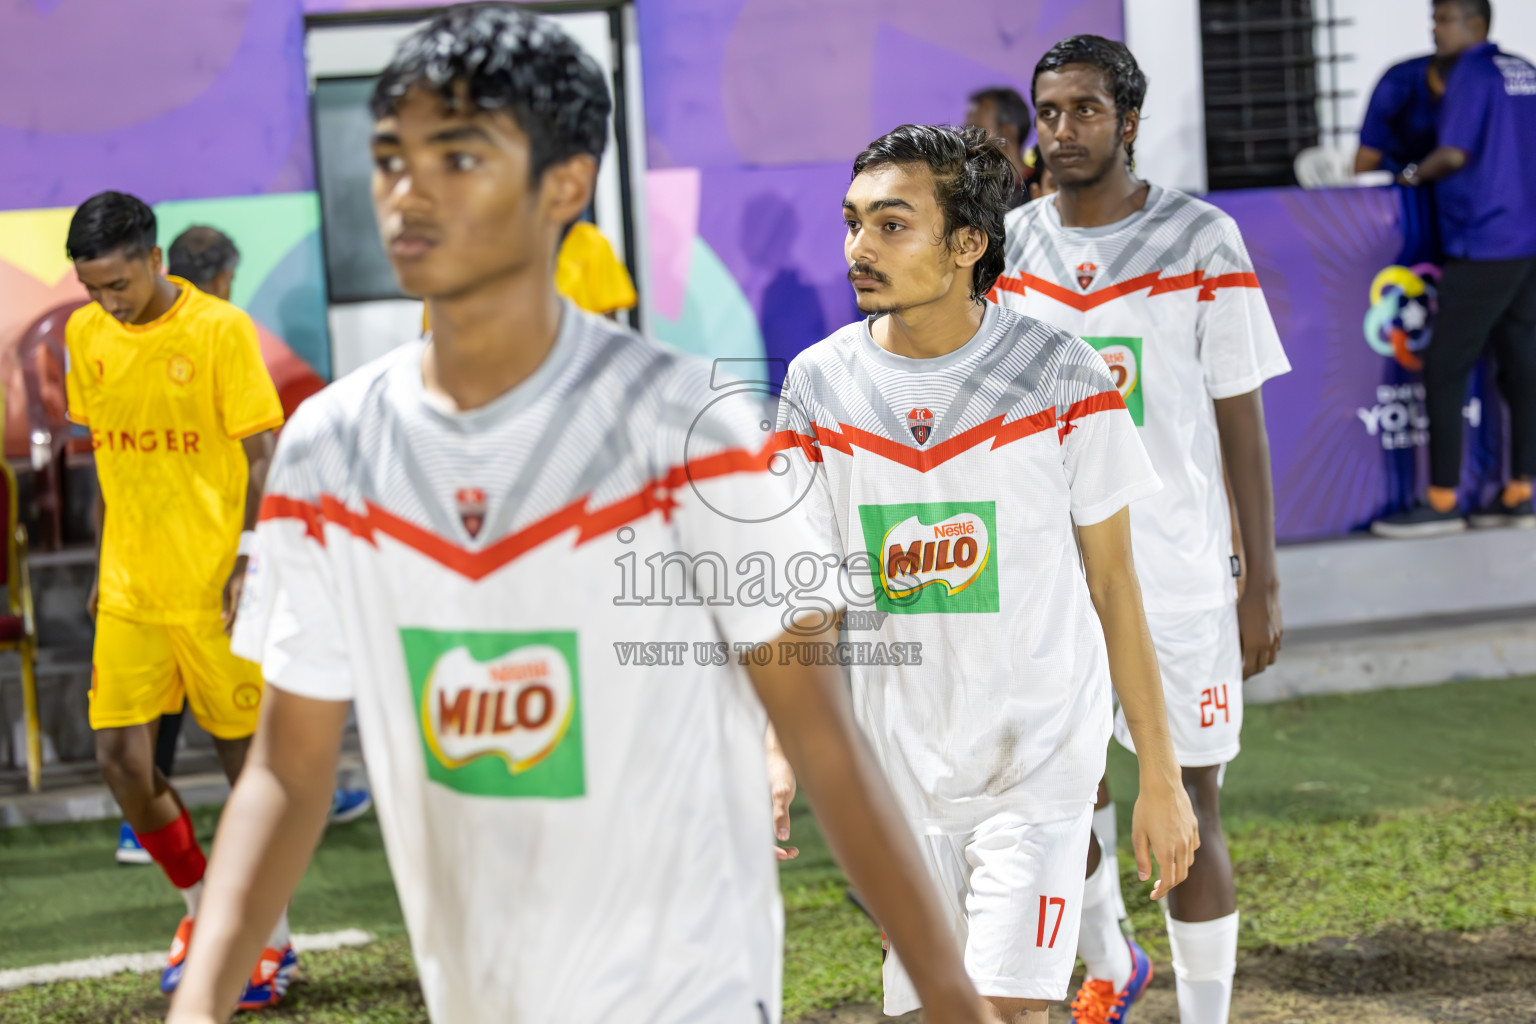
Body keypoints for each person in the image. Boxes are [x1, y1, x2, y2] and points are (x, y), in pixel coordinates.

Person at [166, 9, 991, 1024]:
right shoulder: (331, 448)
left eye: (457, 155)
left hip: (691, 992)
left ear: (565, 182)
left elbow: (825, 741)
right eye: (389, 157)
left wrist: (956, 1000)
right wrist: (197, 1004)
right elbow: (290, 777)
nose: (405, 191)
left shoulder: (688, 428)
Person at [773, 122, 1198, 1024]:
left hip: (1037, 764)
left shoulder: (1061, 376)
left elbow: (1115, 587)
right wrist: (780, 748)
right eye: (852, 223)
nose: (859, 248)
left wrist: (1158, 773)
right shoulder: (818, 385)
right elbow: (807, 593)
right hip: (900, 772)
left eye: (892, 225)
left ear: (969, 244)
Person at [994, 36, 1290, 1024]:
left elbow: (1239, 420)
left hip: (1176, 574)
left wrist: (1261, 581)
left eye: (1084, 110)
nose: (1063, 130)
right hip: (1051, 574)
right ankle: (1109, 957)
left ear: (1128, 119)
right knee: (1053, 791)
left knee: (1192, 805)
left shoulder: (1203, 240)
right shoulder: (1010, 247)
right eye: (1048, 112)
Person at [63, 191, 292, 1007]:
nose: (107, 303)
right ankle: (201, 912)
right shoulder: (84, 334)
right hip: (130, 586)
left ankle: (272, 940)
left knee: (246, 770)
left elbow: (263, 458)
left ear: (154, 260)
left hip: (211, 589)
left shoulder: (221, 331)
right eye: (93, 289)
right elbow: (106, 461)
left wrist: (247, 560)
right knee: (121, 762)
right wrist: (100, 562)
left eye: (118, 285)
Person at [1371, 0, 1536, 537]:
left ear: (1471, 22)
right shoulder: (1523, 70)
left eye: (1441, 19)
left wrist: (1410, 174)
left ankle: (1442, 501)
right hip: (1527, 238)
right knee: (1520, 366)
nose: (1434, 29)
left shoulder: (1469, 70)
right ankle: (1521, 491)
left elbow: (1455, 154)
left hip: (1486, 240)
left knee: (1443, 365)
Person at [965, 86, 1033, 208]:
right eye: (966, 131)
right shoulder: (971, 196)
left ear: (1008, 132)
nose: (966, 140)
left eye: (976, 131)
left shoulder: (1046, 189)